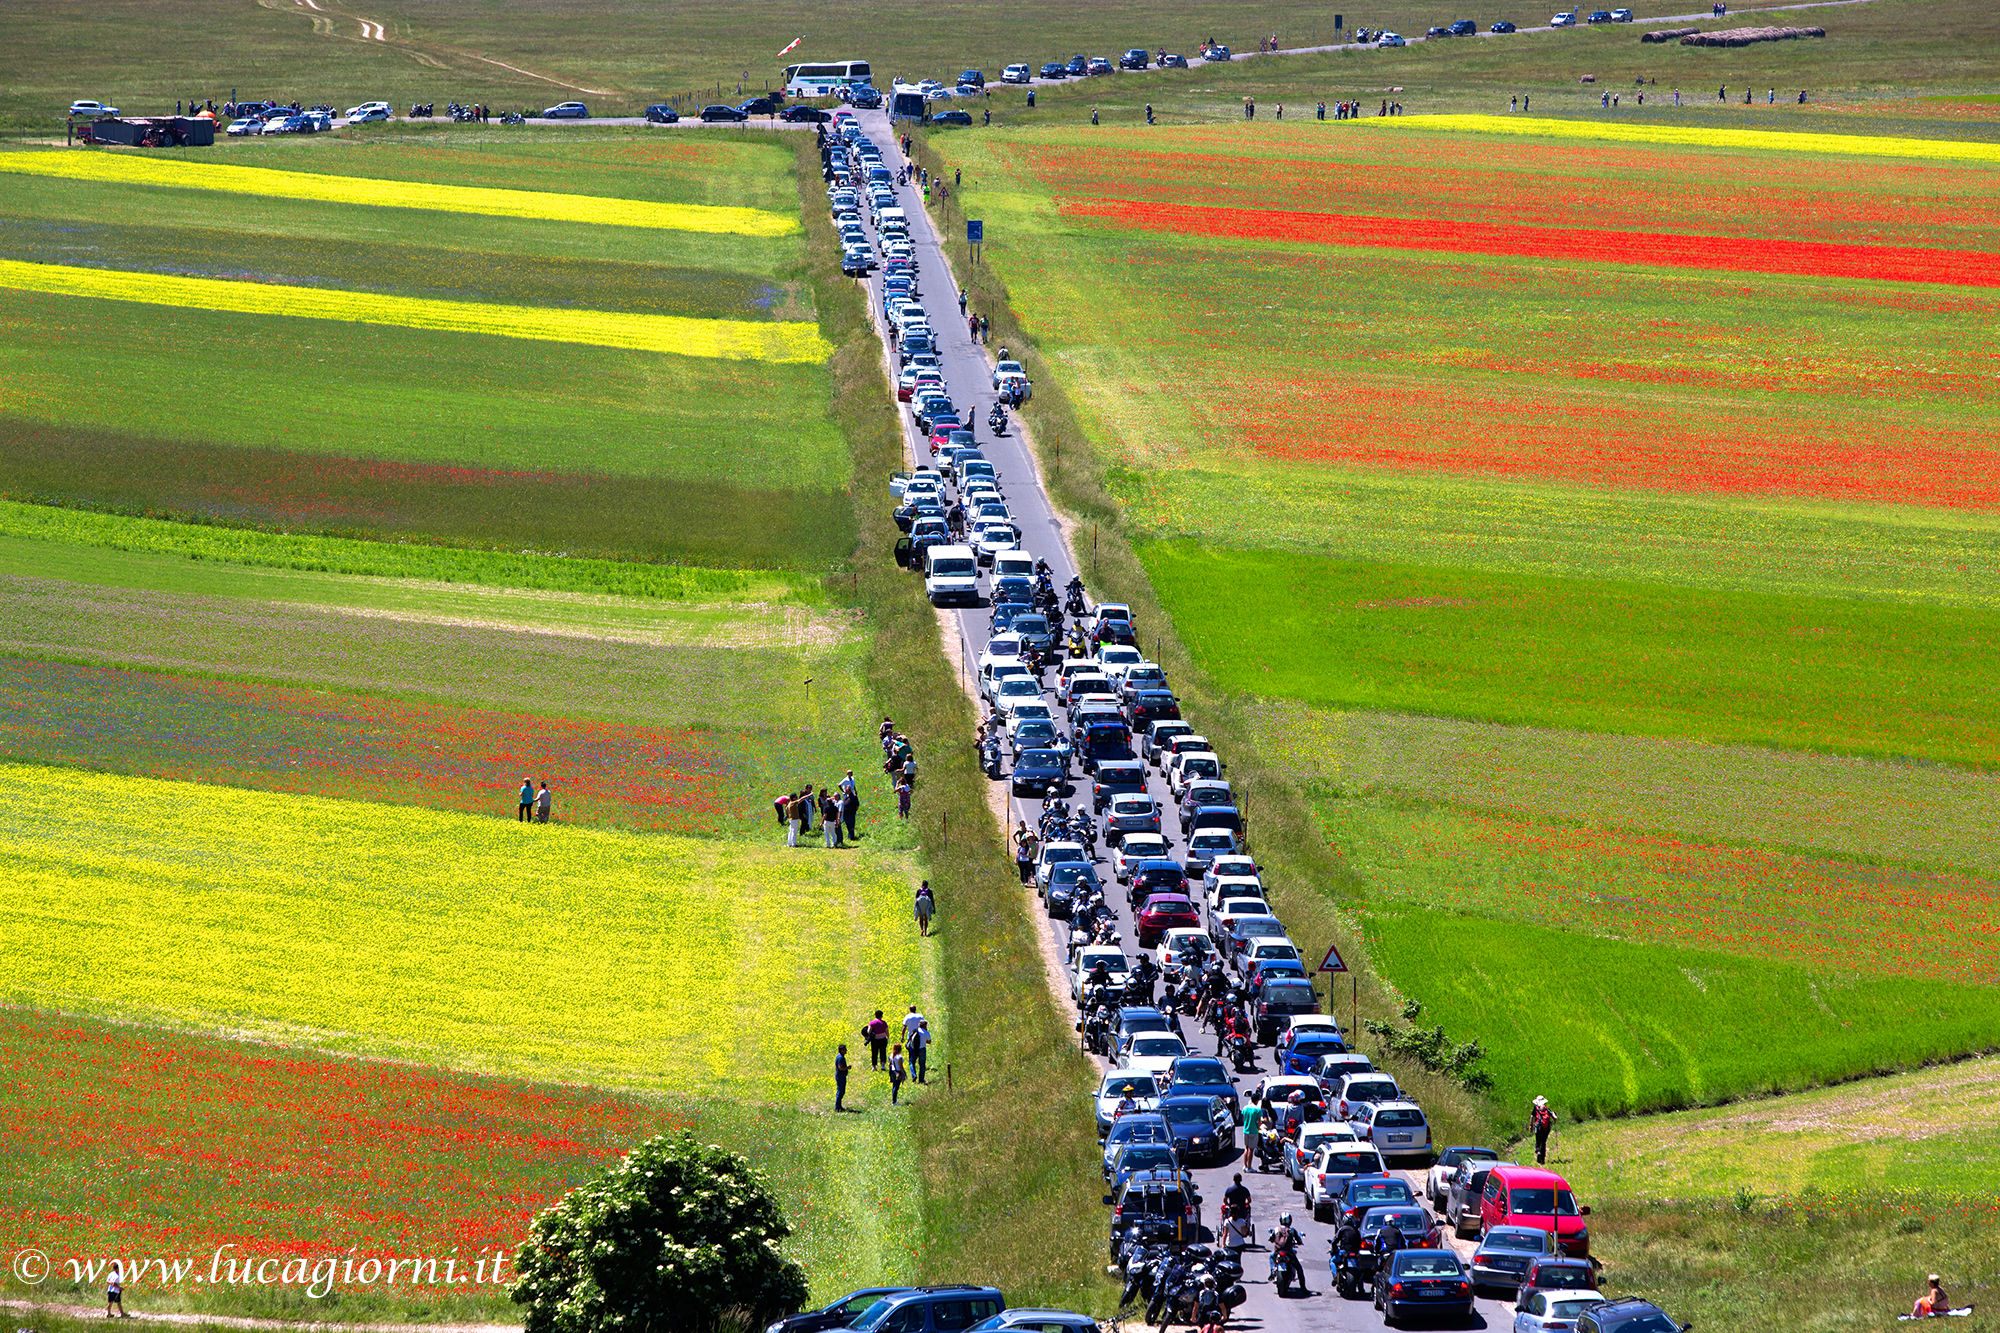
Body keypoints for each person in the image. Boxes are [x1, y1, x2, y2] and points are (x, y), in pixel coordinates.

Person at [1532, 1095, 1556, 1164]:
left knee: (1538, 1141)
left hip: (1538, 1127)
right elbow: (1553, 1116)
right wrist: (1555, 1117)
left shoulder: (1536, 1108)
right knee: (1543, 1142)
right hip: (1546, 1128)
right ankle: (1542, 1160)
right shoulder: (1546, 1108)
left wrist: (1531, 1125)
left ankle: (1538, 1151)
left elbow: (1532, 1116)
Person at [1242, 1100, 1263, 1169]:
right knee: (1251, 1150)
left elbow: (1243, 1119)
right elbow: (1259, 1122)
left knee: (1246, 1148)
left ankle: (1244, 1165)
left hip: (1246, 1130)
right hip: (1253, 1131)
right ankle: (1249, 1167)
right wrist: (1258, 1127)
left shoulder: (1245, 1108)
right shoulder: (1257, 1110)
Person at [910, 1018, 932, 1083]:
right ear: (925, 1026)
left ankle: (913, 1075)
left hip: (914, 1049)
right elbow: (929, 1042)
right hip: (922, 1049)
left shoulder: (915, 1031)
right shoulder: (926, 1033)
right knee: (922, 1064)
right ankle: (921, 1079)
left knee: (912, 1062)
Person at [834, 1043, 851, 1110]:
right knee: (841, 1091)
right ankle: (837, 1107)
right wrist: (847, 1068)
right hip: (840, 1077)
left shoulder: (838, 1056)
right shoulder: (841, 1058)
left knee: (840, 1091)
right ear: (841, 1050)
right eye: (845, 1050)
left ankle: (838, 1106)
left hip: (840, 1076)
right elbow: (840, 1067)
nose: (846, 1051)